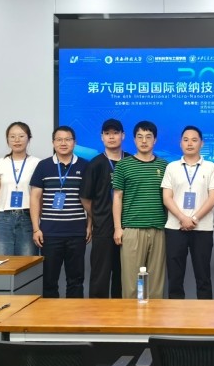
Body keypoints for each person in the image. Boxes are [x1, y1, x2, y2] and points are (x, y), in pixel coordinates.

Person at [30, 126, 90, 298]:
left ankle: (73, 315)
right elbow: (35, 198)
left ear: (74, 142)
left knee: (76, 280)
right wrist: (36, 228)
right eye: (59, 139)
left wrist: (89, 225)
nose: (63, 143)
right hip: (49, 233)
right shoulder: (43, 166)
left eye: (68, 139)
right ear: (53, 142)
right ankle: (51, 316)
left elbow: (90, 199)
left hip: (77, 232)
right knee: (49, 281)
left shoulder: (85, 166)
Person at [161, 126, 214, 299]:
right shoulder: (172, 167)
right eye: (186, 140)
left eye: (194, 140)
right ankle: (176, 314)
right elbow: (167, 198)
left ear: (202, 143)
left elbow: (213, 198)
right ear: (180, 143)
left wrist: (193, 218)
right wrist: (182, 218)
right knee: (175, 277)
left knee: (203, 277)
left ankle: (204, 315)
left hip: (202, 228)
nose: (190, 143)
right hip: (175, 228)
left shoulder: (211, 167)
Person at [112, 120, 168, 299]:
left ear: (155, 140)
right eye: (140, 137)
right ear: (134, 140)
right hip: (132, 230)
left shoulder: (164, 166)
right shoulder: (123, 165)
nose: (144, 141)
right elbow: (117, 197)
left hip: (158, 229)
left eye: (148, 137)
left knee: (156, 284)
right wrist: (118, 228)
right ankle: (131, 316)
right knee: (131, 283)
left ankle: (154, 316)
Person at [80, 118, 130, 298]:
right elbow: (85, 197)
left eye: (115, 133)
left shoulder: (131, 161)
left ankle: (121, 313)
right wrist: (98, 216)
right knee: (100, 275)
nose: (111, 137)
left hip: (128, 226)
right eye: (107, 133)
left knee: (123, 275)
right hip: (103, 228)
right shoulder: (94, 164)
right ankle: (98, 314)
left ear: (123, 136)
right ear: (102, 137)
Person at [0, 121, 40, 256]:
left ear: (29, 138)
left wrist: (38, 225)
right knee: (2, 261)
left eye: (21, 136)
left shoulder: (37, 163)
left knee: (27, 261)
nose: (17, 140)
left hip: (28, 217)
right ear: (7, 139)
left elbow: (40, 198)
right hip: (2, 219)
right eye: (12, 136)